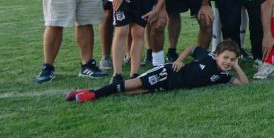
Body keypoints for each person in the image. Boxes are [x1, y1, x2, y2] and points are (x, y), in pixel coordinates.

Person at [66, 40, 248, 103]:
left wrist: (237, 66)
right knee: (133, 84)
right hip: (168, 73)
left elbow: (244, 84)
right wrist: (179, 60)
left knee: (136, 91)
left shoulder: (223, 76)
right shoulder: (207, 57)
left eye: (232, 59)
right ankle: (92, 94)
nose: (228, 62)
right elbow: (192, 48)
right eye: (225, 58)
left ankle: (91, 93)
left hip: (171, 86)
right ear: (216, 56)